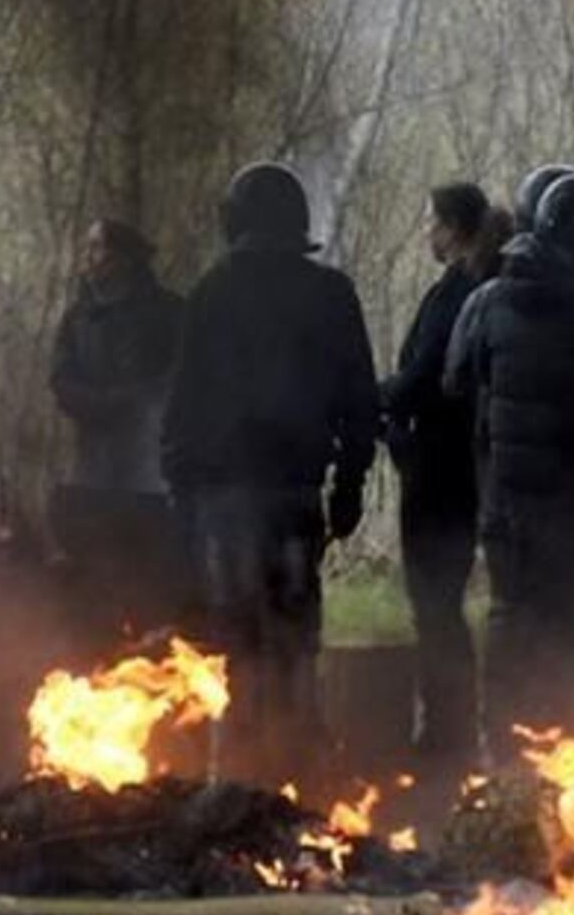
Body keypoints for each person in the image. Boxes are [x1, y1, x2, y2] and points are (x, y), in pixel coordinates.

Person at [163, 162, 379, 786]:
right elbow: (360, 400)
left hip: (228, 498)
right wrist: (350, 485)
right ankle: (295, 776)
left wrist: (183, 497)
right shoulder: (330, 292)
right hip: (296, 494)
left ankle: (237, 778)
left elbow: (184, 403)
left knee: (236, 640)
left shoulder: (214, 290)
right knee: (292, 640)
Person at [444, 173, 574, 757]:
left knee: (514, 620)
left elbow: (456, 379)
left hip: (512, 502)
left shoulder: (490, 300)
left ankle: (504, 754)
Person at [381, 183, 508, 765]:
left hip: (441, 466)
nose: (426, 233)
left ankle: (447, 733)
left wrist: (369, 399)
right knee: (440, 600)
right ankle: (448, 726)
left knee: (434, 600)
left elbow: (426, 375)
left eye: (432, 222)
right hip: (446, 460)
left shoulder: (462, 291)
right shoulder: (472, 287)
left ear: (454, 229)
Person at [49, 219, 185, 644]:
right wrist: (100, 405)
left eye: (98, 250)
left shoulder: (169, 312)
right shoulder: (78, 318)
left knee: (151, 580)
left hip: (151, 478)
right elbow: (61, 379)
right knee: (98, 578)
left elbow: (180, 378)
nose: (89, 260)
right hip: (94, 473)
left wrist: (138, 404)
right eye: (89, 250)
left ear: (124, 257)